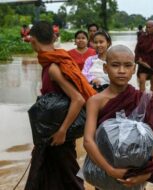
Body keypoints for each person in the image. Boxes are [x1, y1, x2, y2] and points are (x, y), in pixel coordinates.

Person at [83, 44, 153, 189]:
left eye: (128, 66)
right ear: (105, 68)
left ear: (134, 69)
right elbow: (88, 141)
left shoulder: (143, 100)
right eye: (115, 65)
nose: (121, 71)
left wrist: (147, 171)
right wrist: (110, 170)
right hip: (105, 171)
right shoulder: (95, 101)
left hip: (136, 172)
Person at [25, 21, 96, 190]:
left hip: (60, 136)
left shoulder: (53, 67)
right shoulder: (51, 61)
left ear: (33, 41)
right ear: (54, 37)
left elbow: (78, 99)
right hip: (50, 135)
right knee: (46, 176)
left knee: (70, 178)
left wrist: (62, 131)